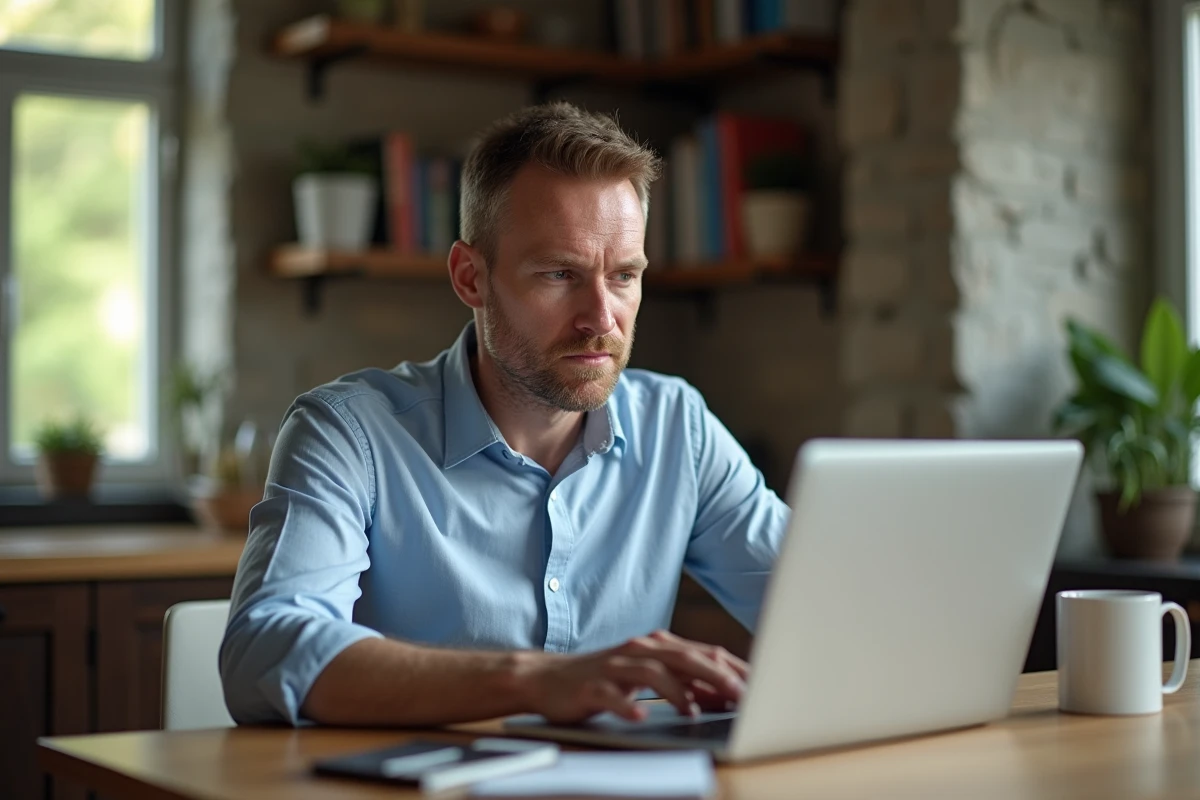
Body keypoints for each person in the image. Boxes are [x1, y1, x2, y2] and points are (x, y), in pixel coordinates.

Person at [220, 102, 789, 728]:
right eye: (558, 274)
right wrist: (534, 681)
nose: (601, 318)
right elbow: (263, 651)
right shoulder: (347, 433)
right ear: (470, 277)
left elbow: (833, 602)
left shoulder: (677, 425)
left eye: (624, 276)